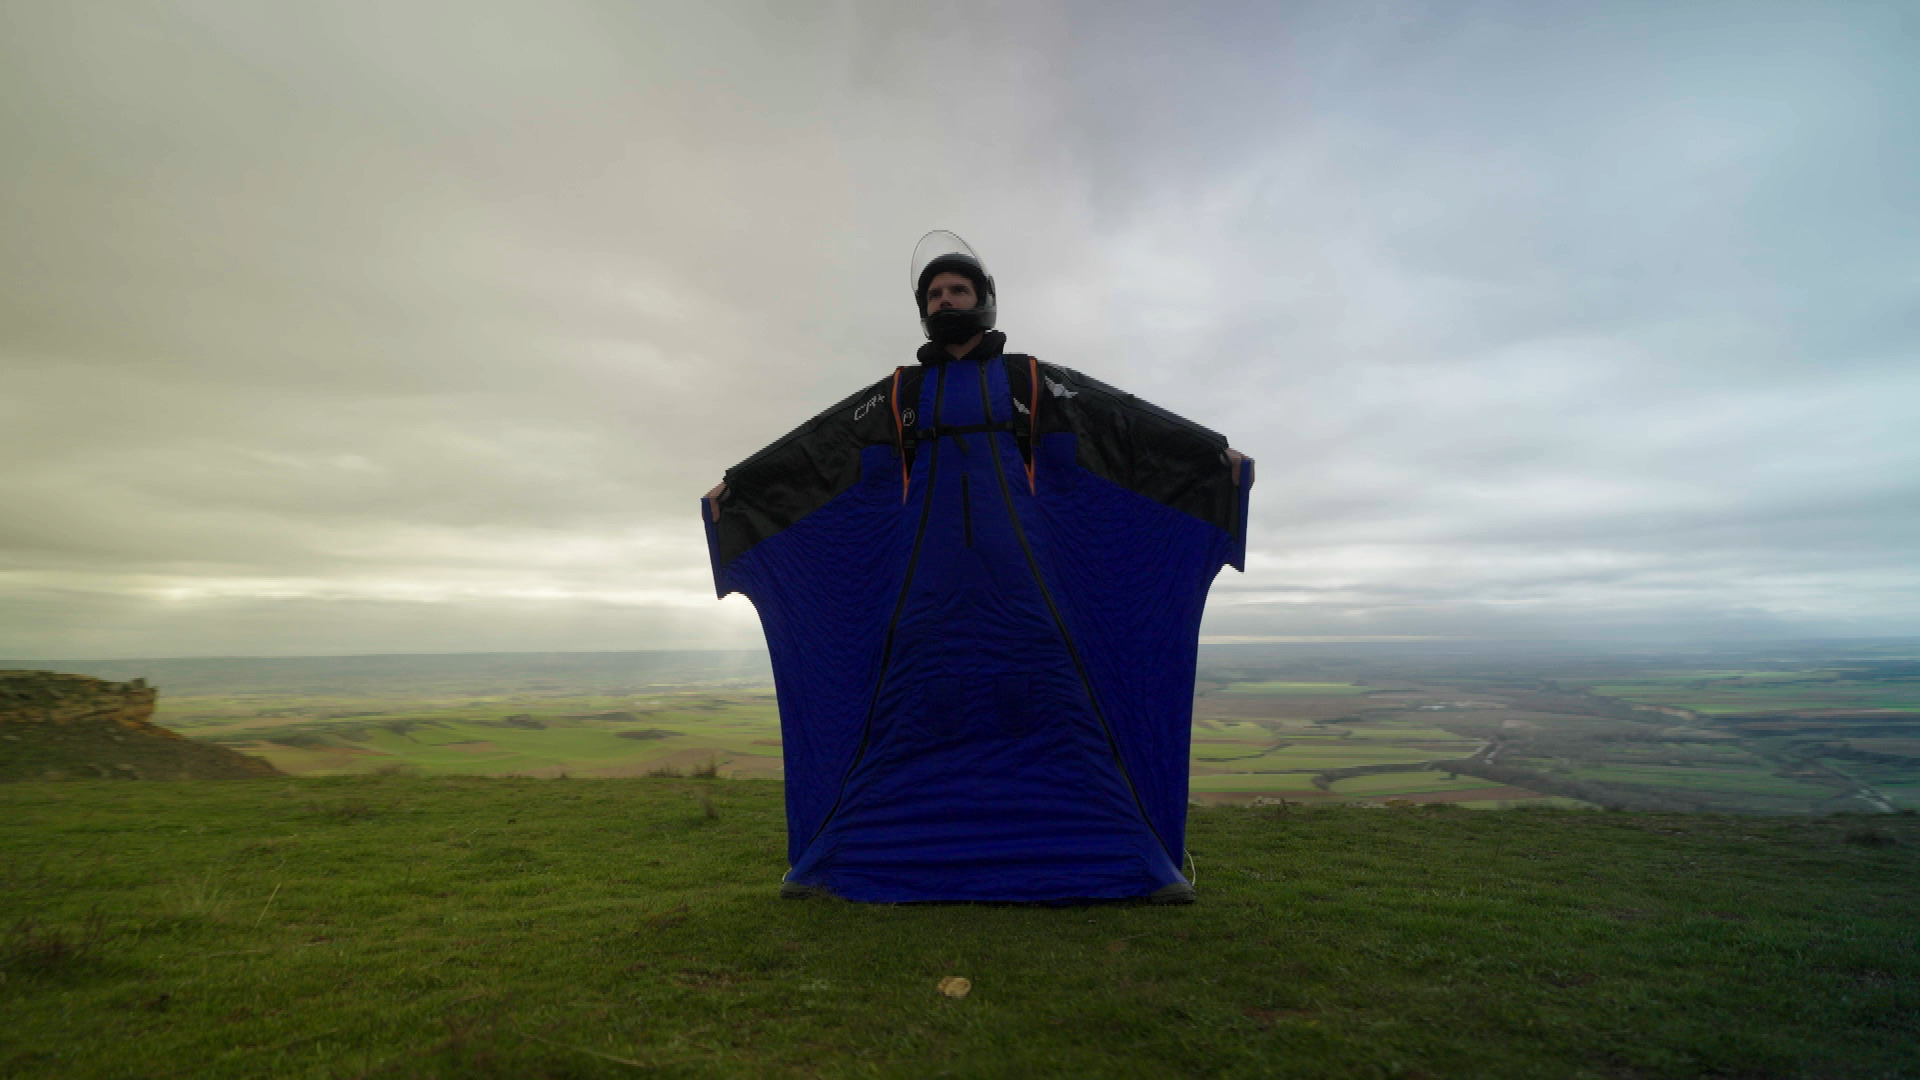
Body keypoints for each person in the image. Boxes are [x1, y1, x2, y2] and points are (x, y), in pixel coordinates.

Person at [702, 232, 1252, 904]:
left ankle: (1129, 852)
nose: (945, 300)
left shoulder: (1030, 383)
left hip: (1030, 607)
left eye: (957, 290)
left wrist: (1208, 455)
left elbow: (1121, 428)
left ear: (983, 301)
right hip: (923, 611)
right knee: (896, 708)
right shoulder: (899, 398)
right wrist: (740, 489)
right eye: (935, 293)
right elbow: (816, 454)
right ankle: (842, 852)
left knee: (1067, 702)